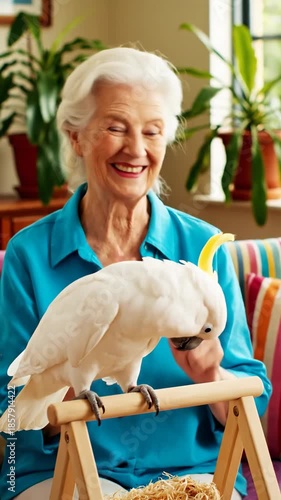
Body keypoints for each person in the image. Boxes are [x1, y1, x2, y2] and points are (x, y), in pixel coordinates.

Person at [0, 47, 271, 500]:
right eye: (115, 127)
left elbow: (253, 412)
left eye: (152, 131)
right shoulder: (30, 255)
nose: (137, 149)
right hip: (63, 473)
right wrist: (56, 392)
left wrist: (212, 375)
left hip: (191, 475)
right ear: (75, 137)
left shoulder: (203, 254)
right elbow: (9, 415)